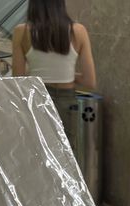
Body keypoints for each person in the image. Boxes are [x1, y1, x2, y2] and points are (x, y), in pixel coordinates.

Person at [12, 0, 96, 146]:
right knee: (65, 152)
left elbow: (18, 80)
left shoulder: (22, 31)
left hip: (36, 100)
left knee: (39, 151)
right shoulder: (78, 31)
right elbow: (89, 82)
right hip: (66, 102)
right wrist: (68, 76)